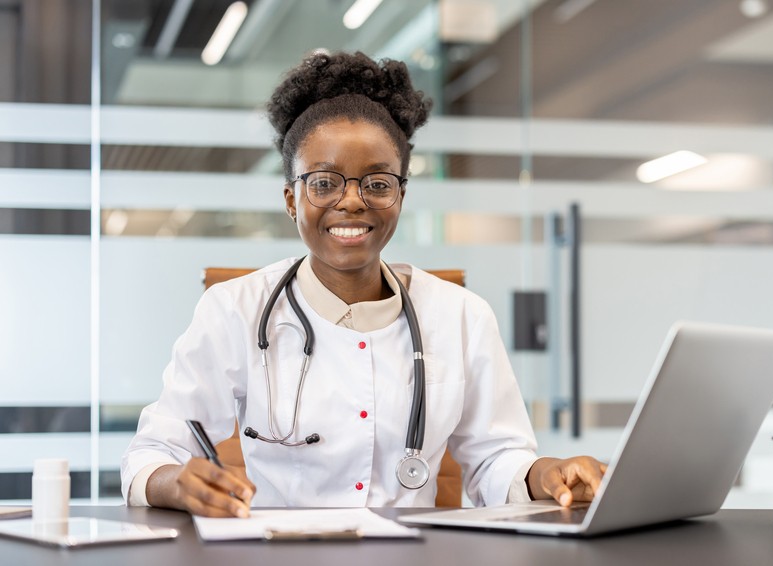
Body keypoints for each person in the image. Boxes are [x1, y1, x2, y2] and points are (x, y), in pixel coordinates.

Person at [121, 51, 606, 518]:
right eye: (324, 182)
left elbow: (497, 460)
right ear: (292, 200)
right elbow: (152, 453)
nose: (352, 202)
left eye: (377, 183)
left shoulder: (461, 315)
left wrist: (549, 475)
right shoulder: (233, 309)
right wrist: (177, 481)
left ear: (399, 196)